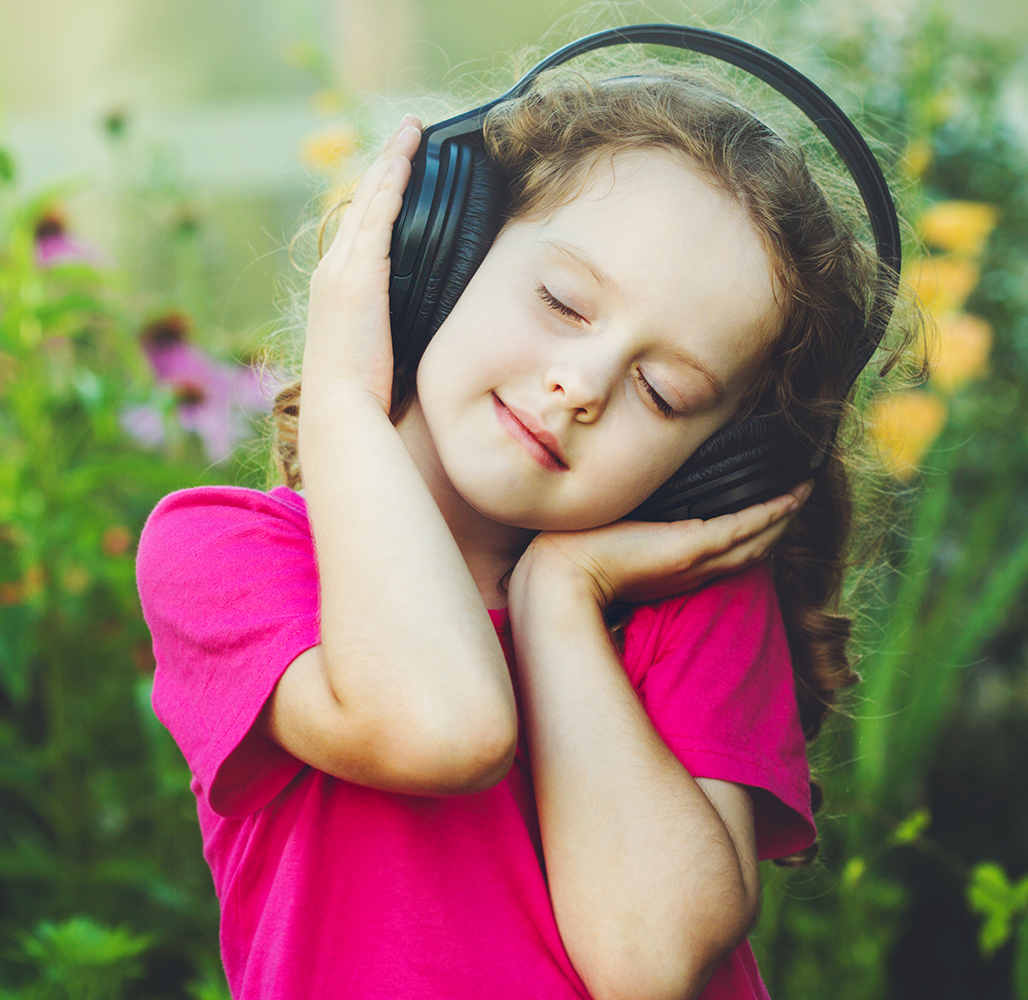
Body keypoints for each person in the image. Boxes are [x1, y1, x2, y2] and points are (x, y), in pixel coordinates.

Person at [137, 61, 900, 1000]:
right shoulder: (228, 558)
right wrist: (345, 401)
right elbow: (440, 725)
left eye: (663, 394)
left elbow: (649, 959)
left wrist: (561, 604)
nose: (580, 386)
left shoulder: (687, 602)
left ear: (715, 464)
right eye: (564, 304)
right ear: (436, 254)